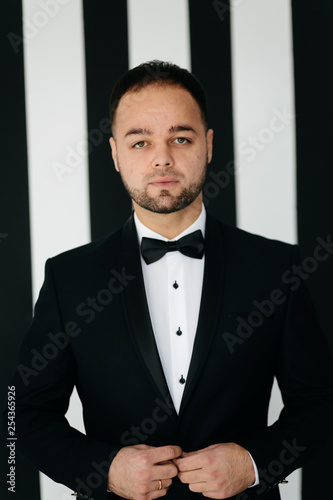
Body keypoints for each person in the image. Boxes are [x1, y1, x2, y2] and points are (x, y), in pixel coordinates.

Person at [3, 61, 333, 500]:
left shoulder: (278, 267)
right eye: (140, 141)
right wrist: (104, 470)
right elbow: (20, 413)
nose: (162, 157)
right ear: (116, 153)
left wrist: (254, 461)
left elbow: (320, 402)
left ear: (209, 145)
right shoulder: (69, 277)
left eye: (181, 138)